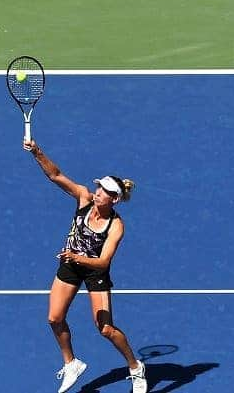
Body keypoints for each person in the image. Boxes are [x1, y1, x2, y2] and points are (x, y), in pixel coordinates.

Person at [23, 139, 146, 393]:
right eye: (98, 187)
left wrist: (76, 256)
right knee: (54, 318)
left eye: (103, 191)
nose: (97, 191)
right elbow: (55, 175)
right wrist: (37, 152)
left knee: (106, 329)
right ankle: (72, 364)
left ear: (114, 199)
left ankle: (135, 367)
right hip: (71, 263)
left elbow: (103, 262)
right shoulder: (83, 198)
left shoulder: (116, 226)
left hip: (94, 271)